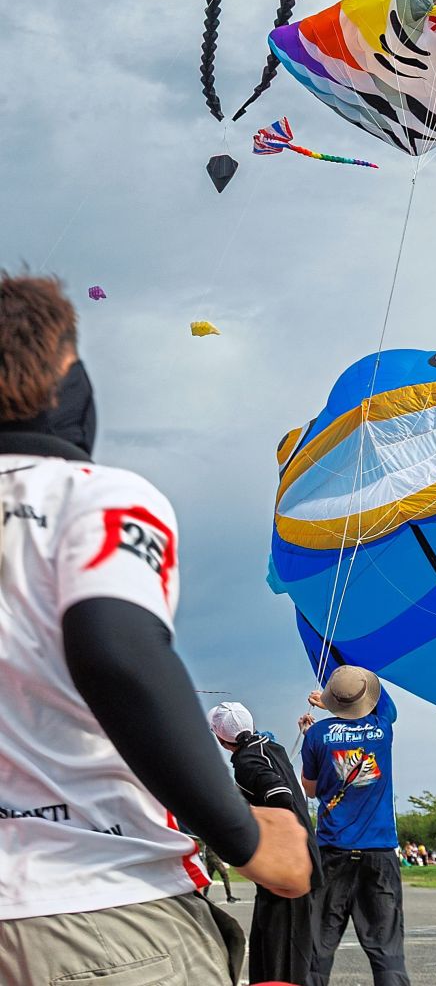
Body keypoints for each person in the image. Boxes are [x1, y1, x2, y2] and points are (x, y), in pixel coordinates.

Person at [0, 273, 311, 985]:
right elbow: (117, 651)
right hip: (94, 908)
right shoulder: (95, 496)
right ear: (63, 376)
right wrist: (246, 838)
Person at [299, 664, 411, 986]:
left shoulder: (318, 734)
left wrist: (312, 734)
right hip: (379, 852)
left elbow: (309, 789)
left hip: (333, 852)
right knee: (388, 952)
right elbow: (385, 703)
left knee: (318, 949)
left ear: (333, 700)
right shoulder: (382, 727)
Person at [210, 701, 323, 986]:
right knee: (271, 947)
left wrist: (241, 817)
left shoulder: (248, 762)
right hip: (300, 858)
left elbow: (280, 795)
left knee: (279, 955)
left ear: (222, 739)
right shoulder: (271, 748)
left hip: (287, 866)